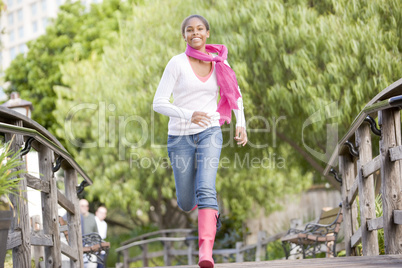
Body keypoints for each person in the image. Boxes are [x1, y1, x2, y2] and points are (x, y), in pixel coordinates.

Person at [153, 14, 247, 268]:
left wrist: (241, 123)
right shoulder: (176, 63)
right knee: (185, 201)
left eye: (200, 29)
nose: (195, 33)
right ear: (184, 35)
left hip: (210, 131)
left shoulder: (220, 64)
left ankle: (206, 253)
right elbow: (158, 103)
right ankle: (198, 197)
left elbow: (235, 95)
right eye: (189, 30)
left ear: (208, 33)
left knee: (206, 188)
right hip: (180, 136)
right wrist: (188, 114)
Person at [79, 199, 98, 268]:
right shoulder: (74, 217)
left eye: (86, 206)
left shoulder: (92, 217)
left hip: (91, 249)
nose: (85, 208)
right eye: (82, 206)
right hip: (78, 249)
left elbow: (96, 233)